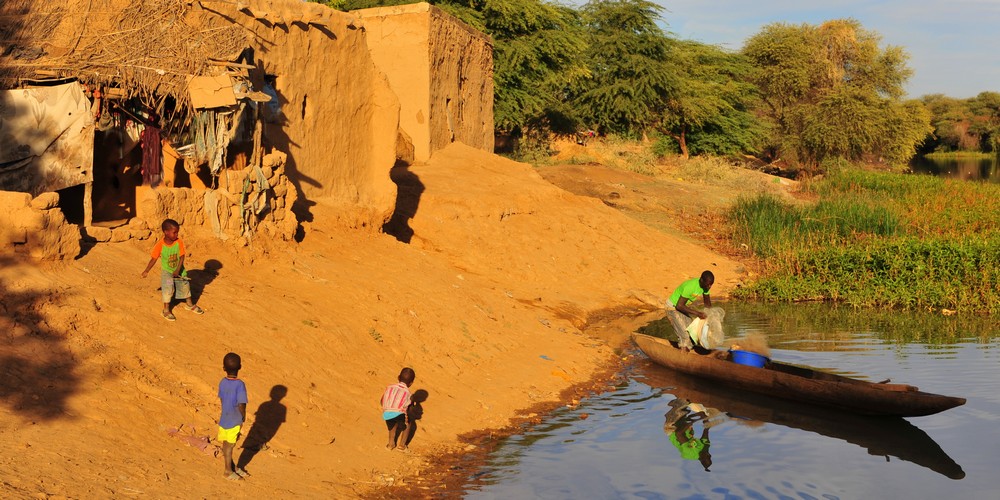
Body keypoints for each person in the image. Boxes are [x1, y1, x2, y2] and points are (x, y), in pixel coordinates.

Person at [140, 218, 205, 321]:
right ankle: (166, 310)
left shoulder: (178, 242)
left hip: (179, 270)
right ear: (166, 232)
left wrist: (178, 270)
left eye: (177, 232)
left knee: (185, 286)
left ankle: (189, 304)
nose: (177, 235)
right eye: (174, 232)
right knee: (168, 288)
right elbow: (154, 258)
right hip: (168, 272)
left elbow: (182, 257)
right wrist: (146, 270)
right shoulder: (160, 245)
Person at [218, 352, 249, 480]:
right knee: (230, 445)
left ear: (224, 368)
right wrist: (243, 416)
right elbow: (242, 404)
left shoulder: (222, 382)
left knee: (226, 443)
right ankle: (227, 470)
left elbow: (221, 399)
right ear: (240, 367)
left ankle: (232, 466)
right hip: (234, 419)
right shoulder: (240, 384)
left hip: (224, 418)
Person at [665, 270, 714, 351]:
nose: (709, 287)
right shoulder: (690, 286)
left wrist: (710, 317)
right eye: (708, 284)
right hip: (672, 308)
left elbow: (708, 305)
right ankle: (683, 355)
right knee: (685, 336)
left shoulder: (706, 287)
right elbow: (679, 306)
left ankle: (688, 350)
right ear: (701, 280)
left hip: (682, 308)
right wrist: (698, 313)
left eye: (711, 285)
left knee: (693, 333)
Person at [380, 367, 415, 452]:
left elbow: (381, 401)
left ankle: (390, 444)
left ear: (398, 377)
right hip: (399, 413)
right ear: (411, 383)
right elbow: (409, 408)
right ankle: (402, 446)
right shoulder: (408, 393)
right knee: (408, 423)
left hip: (386, 413)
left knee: (391, 424)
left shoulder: (389, 387)